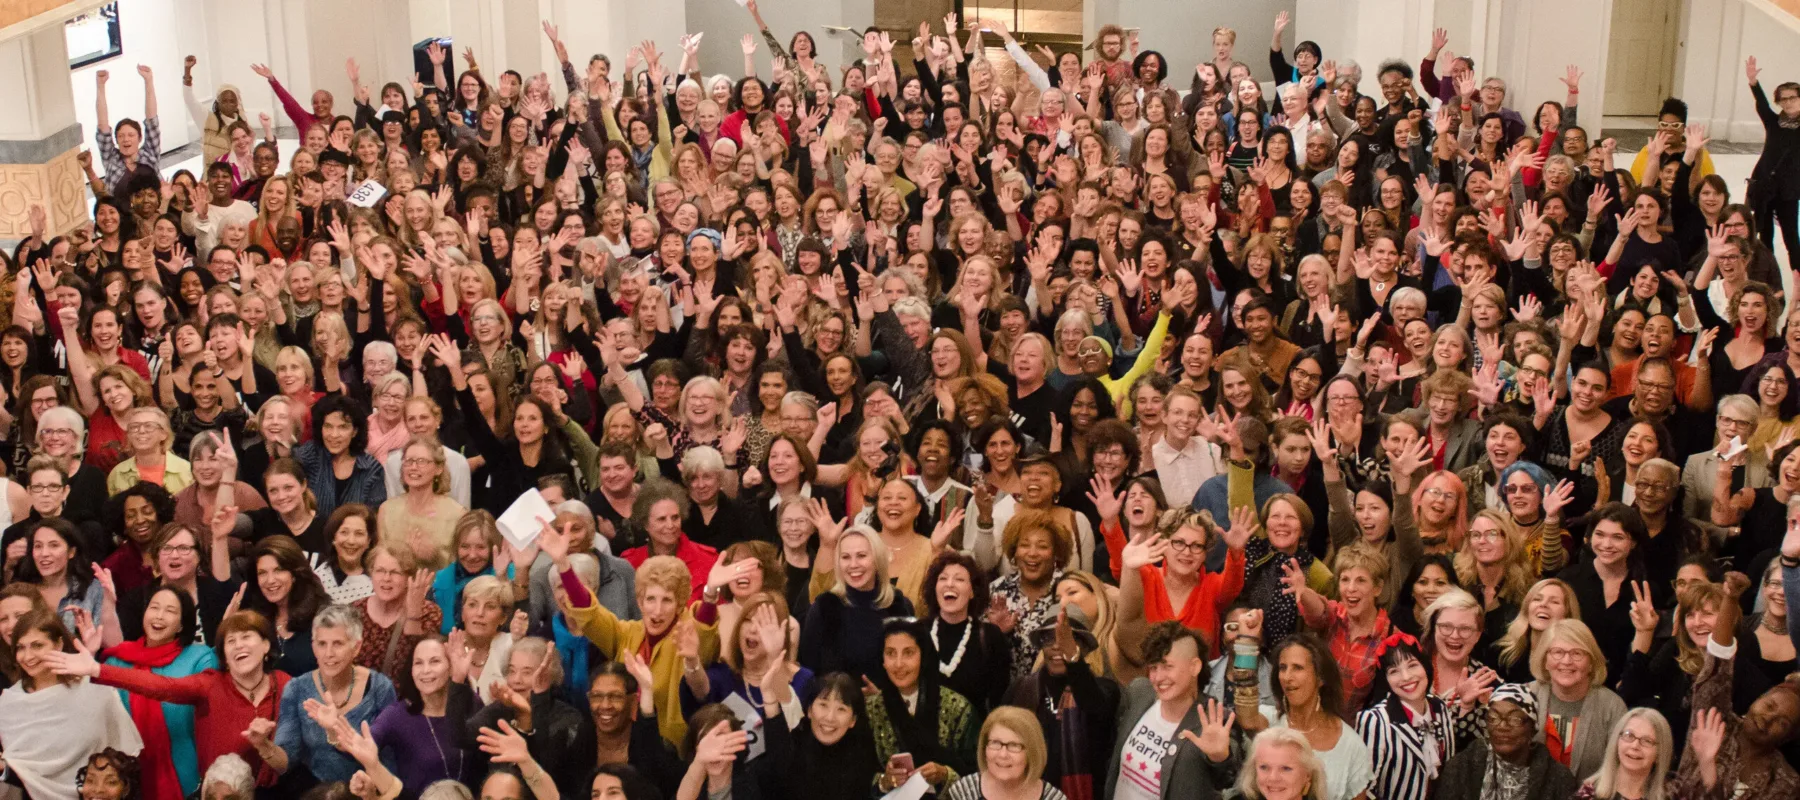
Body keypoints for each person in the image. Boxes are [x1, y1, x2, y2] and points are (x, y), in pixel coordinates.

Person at [42, 610, 291, 789]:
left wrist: (264, 746)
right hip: (218, 794)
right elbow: (161, 686)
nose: (238, 646)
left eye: (246, 637)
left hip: (276, 793)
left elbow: (288, 763)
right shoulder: (210, 683)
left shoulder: (286, 684)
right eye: (230, 641)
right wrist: (97, 670)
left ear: (266, 645)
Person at [0, 610, 143, 800]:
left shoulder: (94, 690)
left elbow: (123, 758)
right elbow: (20, 770)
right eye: (20, 648)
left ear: (59, 644)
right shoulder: (10, 702)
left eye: (37, 645)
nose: (27, 656)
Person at [265, 603, 398, 784]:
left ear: (356, 647)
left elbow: (388, 761)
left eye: (338, 644)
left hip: (366, 790)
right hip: (315, 792)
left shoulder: (380, 688)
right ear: (313, 647)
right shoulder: (296, 689)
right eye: (322, 644)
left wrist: (335, 733)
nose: (328, 653)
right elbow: (286, 763)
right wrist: (264, 746)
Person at [1105, 621, 1239, 800]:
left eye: (1168, 666)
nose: (1158, 678)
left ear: (1195, 667)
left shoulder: (1215, 719)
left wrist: (1220, 759)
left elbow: (1229, 780)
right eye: (1153, 667)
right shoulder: (1140, 693)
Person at [1432, 683, 1579, 800]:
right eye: (1494, 718)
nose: (1502, 726)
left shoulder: (1558, 779)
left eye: (1515, 719)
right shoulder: (1461, 767)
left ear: (1532, 729)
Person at [1527, 619, 1626, 779]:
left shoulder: (1611, 706)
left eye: (1577, 653)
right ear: (1545, 660)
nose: (1566, 661)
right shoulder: (1527, 695)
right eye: (1558, 652)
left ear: (1591, 663)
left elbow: (1618, 770)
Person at [941, 708, 1068, 800]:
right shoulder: (964, 792)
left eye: (1014, 745)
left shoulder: (1053, 798)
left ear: (1032, 752)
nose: (1002, 754)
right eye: (995, 743)